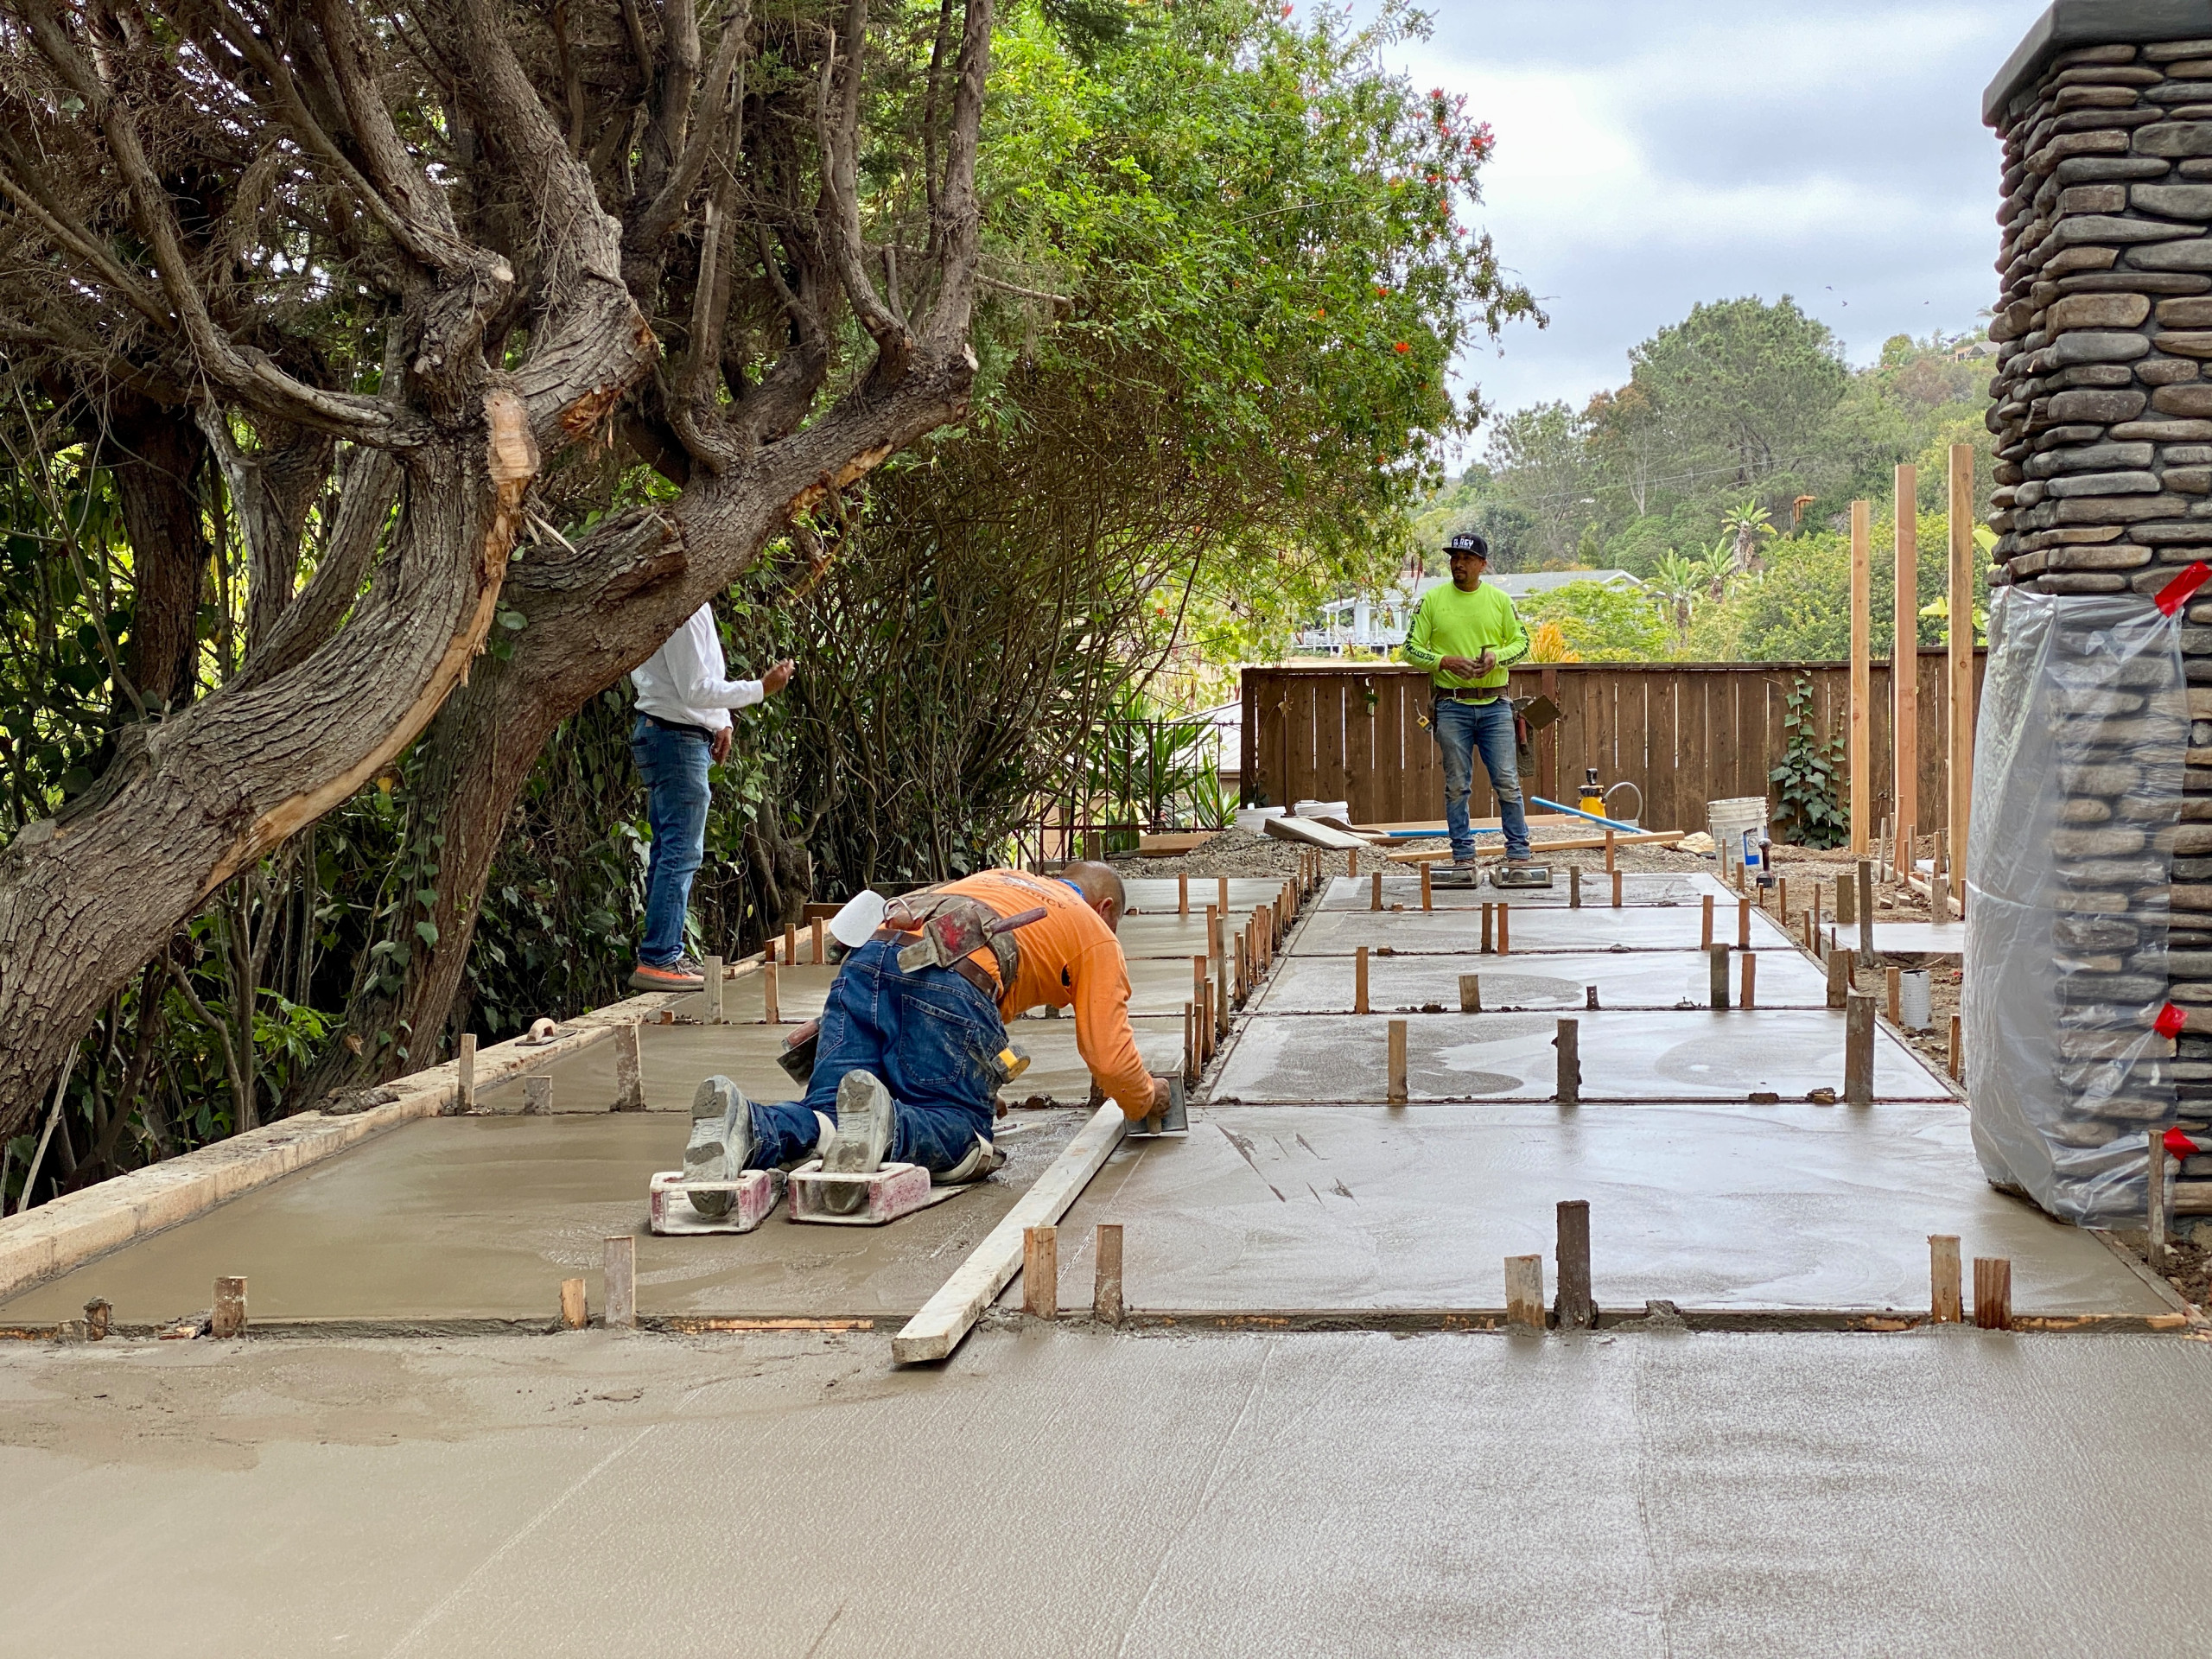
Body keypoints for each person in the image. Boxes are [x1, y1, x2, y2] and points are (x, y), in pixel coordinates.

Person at [686, 861, 1172, 1191]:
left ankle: (746, 1125)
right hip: (948, 980)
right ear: (1106, 909)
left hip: (866, 964)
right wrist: (1147, 1097)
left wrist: (972, 1074)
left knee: (829, 1114)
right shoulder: (1093, 931)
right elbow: (1109, 1058)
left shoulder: (998, 879)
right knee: (962, 1132)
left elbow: (965, 1018)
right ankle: (889, 1126)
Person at [627, 603, 795, 991]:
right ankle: (660, 957)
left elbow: (698, 680)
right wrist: (761, 689)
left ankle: (662, 953)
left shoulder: (690, 603)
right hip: (674, 737)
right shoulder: (680, 611)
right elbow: (694, 688)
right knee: (681, 851)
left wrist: (721, 720)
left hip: (675, 734)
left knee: (673, 848)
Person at [1402, 531, 1534, 871]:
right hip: (1451, 705)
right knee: (1457, 785)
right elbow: (1409, 648)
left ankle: (1518, 852)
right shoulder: (1431, 601)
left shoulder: (1500, 601)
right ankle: (1463, 854)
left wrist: (1496, 658)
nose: (1458, 564)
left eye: (1467, 559)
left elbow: (1522, 643)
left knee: (1507, 780)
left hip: (1495, 705)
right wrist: (1444, 662)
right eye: (1453, 558)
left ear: (1482, 564)